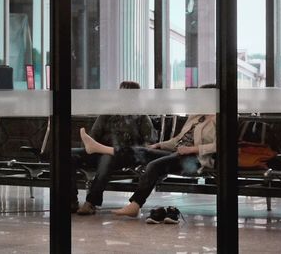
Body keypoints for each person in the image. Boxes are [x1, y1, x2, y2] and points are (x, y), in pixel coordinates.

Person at [79, 93, 216, 220]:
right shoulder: (196, 117)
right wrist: (159, 145)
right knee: (141, 151)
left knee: (154, 165)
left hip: (195, 159)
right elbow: (177, 140)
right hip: (177, 153)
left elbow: (220, 145)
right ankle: (98, 148)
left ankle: (135, 204)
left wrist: (191, 149)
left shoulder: (219, 119)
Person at [71, 81, 157, 215]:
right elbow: (93, 136)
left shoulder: (141, 117)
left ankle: (91, 202)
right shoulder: (108, 114)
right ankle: (70, 200)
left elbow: (149, 145)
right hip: (97, 151)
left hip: (121, 155)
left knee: (107, 158)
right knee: (67, 155)